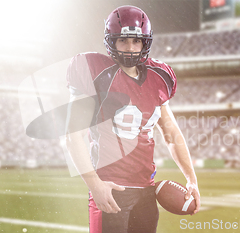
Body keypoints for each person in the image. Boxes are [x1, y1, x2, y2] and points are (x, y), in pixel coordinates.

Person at [65, 5, 200, 233]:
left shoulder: (160, 77)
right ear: (111, 42)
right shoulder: (93, 71)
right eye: (123, 41)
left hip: (146, 192)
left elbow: (172, 134)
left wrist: (192, 180)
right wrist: (94, 185)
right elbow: (73, 136)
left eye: (136, 41)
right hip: (110, 188)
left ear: (145, 42)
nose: (130, 48)